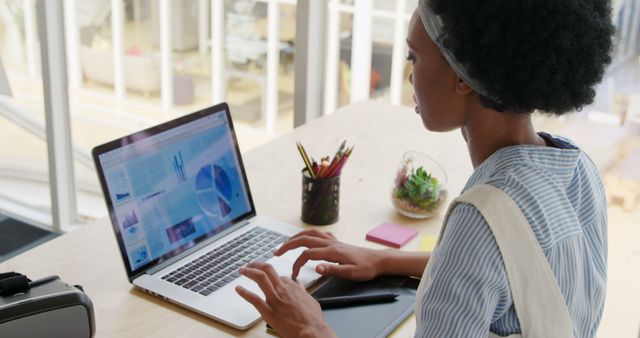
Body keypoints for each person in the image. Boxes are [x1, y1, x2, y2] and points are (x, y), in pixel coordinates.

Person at [234, 0, 614, 336]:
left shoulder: (483, 216)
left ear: (462, 75)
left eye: (414, 57)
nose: (409, 76)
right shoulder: (578, 168)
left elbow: (482, 248)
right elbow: (511, 272)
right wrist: (384, 259)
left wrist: (308, 327)